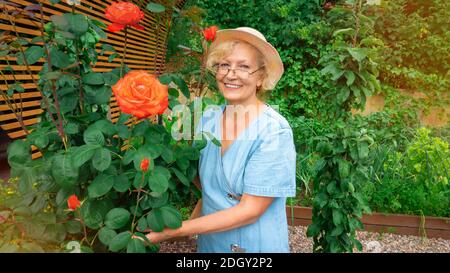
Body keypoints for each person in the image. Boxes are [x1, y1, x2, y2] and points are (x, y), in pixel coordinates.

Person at [144, 27, 296, 253]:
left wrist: (175, 230)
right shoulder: (208, 118)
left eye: (244, 67)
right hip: (212, 244)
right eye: (224, 65)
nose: (230, 74)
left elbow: (250, 210)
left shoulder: (274, 131)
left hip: (254, 247)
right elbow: (206, 183)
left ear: (261, 77)